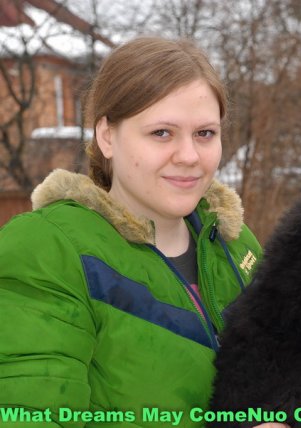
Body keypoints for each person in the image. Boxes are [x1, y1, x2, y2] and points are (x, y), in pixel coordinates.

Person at [0, 36, 271, 427]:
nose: (189, 156)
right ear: (107, 136)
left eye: (205, 133)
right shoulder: (46, 250)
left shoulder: (234, 242)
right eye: (162, 132)